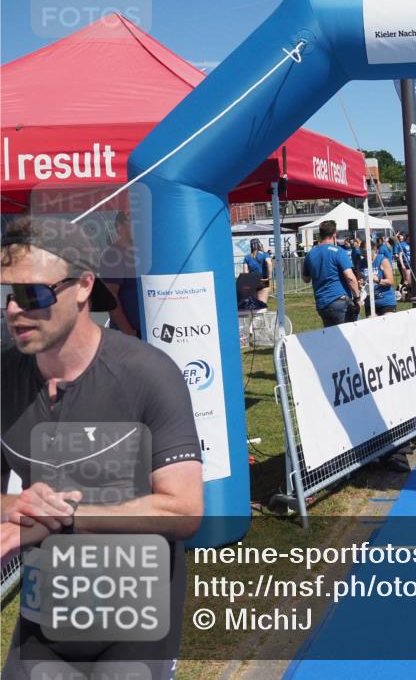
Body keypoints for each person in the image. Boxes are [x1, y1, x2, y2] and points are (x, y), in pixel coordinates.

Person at [1, 217, 203, 679]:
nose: (14, 310)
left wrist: (63, 517)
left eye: (33, 294)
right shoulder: (3, 377)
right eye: (6, 295)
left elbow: (184, 509)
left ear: (83, 287)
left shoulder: (148, 373)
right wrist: (20, 506)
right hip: (47, 613)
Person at [301, 220, 362, 327]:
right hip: (339, 301)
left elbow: (306, 279)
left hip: (322, 304)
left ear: (320, 234)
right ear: (334, 234)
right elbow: (350, 277)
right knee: (352, 335)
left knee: (332, 339)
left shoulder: (310, 254)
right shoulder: (338, 251)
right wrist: (357, 297)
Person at [100, 210, 141, 337]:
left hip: (149, 331)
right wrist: (128, 331)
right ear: (119, 227)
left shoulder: (141, 254)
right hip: (129, 336)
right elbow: (111, 296)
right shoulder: (112, 255)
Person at [363, 242, 396, 317]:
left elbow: (391, 281)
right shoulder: (361, 263)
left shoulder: (383, 260)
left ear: (373, 250)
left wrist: (378, 280)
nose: (363, 255)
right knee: (372, 327)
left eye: (365, 252)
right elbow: (360, 279)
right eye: (362, 252)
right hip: (370, 302)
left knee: (388, 325)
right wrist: (361, 282)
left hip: (385, 301)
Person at [243, 238, 271, 306]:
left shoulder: (247, 257)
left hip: (252, 282)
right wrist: (269, 276)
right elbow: (269, 263)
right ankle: (260, 316)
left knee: (255, 305)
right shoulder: (265, 254)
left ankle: (255, 316)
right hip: (263, 281)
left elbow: (245, 271)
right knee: (262, 304)